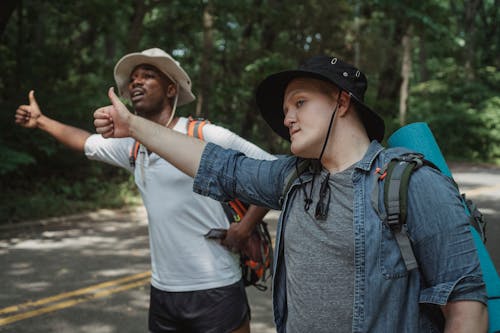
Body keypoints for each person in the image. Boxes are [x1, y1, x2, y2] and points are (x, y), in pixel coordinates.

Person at [94, 55, 488, 332]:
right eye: (286, 109)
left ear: (342, 101)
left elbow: (466, 305)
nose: (287, 118)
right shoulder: (291, 179)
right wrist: (134, 126)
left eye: (300, 102)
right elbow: (217, 164)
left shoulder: (412, 183)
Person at [15, 48, 276, 333]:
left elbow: (272, 173)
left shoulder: (204, 135)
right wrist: (40, 121)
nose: (136, 82)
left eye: (148, 76)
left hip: (216, 287)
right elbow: (86, 143)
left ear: (171, 89)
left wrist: (245, 227)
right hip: (163, 291)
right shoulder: (134, 146)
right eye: (133, 79)